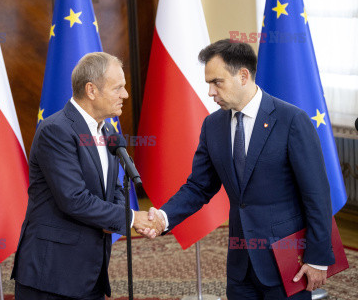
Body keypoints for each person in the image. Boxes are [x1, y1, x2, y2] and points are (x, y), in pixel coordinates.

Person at [139, 40, 335, 300]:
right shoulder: (212, 125)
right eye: (208, 83)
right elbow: (199, 186)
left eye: (217, 82)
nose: (210, 91)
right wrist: (164, 217)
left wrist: (318, 258)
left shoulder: (291, 121)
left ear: (243, 76)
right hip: (240, 264)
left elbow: (317, 195)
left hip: (288, 260)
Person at [11, 52, 162, 300]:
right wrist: (133, 218)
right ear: (91, 90)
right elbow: (73, 199)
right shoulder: (56, 131)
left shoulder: (108, 131)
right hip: (51, 275)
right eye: (118, 88)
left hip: (90, 273)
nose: (125, 95)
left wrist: (117, 218)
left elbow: (115, 189)